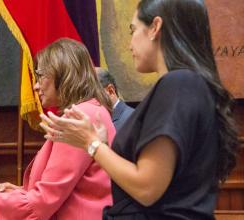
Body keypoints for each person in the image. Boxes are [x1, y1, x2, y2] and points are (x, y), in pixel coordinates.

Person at [39, 0, 239, 219]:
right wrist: (102, 144)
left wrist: (91, 144)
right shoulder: (188, 85)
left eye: (133, 30)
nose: (129, 45)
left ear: (155, 27)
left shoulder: (178, 83)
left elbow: (146, 188)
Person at [0, 38, 115, 220]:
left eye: (40, 76)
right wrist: (20, 192)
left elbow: (42, 203)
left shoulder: (78, 118)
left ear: (63, 74)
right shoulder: (94, 111)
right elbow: (69, 190)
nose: (36, 86)